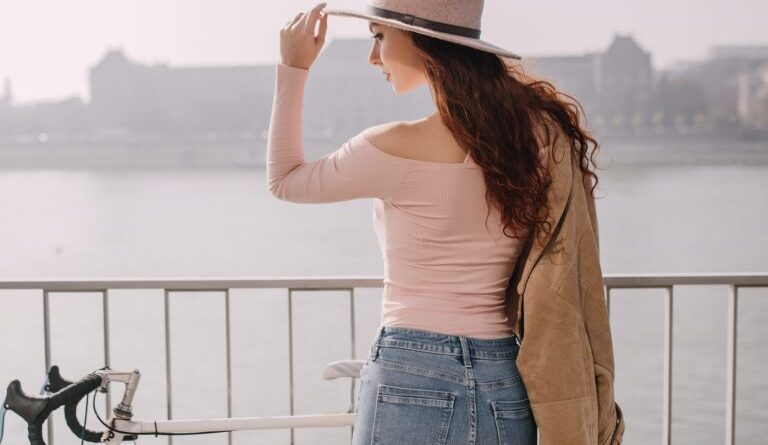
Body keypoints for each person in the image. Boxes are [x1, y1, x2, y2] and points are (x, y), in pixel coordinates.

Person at [268, 1, 624, 444]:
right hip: (504, 378)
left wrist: (293, 68)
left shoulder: (390, 147)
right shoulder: (532, 144)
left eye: (379, 37)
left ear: (422, 42)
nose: (373, 57)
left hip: (410, 371)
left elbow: (284, 179)